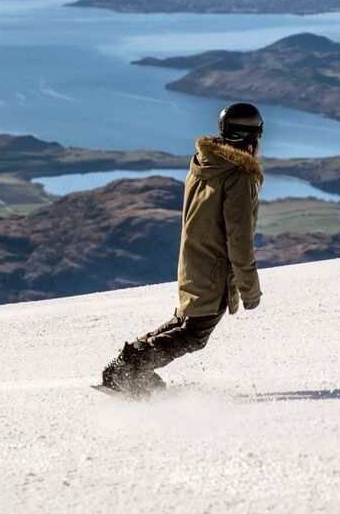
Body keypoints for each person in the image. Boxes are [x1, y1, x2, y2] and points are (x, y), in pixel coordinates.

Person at [100, 102, 265, 396]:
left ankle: (127, 367)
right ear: (252, 138)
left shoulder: (206, 162)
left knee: (187, 322)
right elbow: (239, 240)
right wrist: (250, 290)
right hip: (214, 268)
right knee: (194, 333)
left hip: (194, 260)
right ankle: (130, 368)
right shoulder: (237, 177)